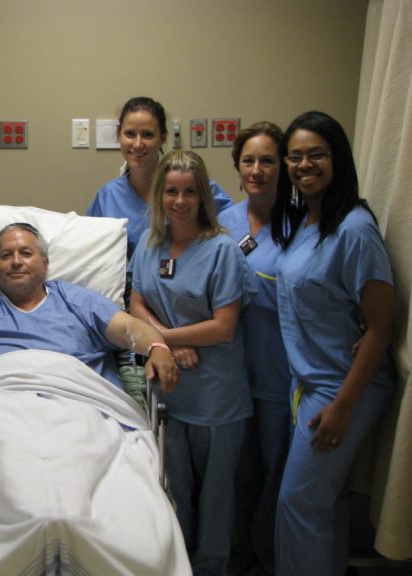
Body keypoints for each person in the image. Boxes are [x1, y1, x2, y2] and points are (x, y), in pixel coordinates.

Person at [271, 111, 396, 576]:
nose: (305, 165)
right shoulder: (308, 218)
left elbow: (381, 326)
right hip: (310, 381)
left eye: (317, 154)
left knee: (298, 504)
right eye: (296, 156)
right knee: (323, 504)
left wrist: (344, 405)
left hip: (341, 389)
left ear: (337, 158)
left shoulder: (355, 229)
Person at [129, 150, 254, 576]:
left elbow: (223, 328)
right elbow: (136, 300)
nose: (179, 201)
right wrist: (165, 345)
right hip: (170, 390)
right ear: (159, 194)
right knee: (175, 489)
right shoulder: (150, 245)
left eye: (189, 192)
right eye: (170, 191)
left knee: (216, 497)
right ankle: (177, 566)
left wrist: (160, 338)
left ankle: (212, 567)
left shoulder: (221, 251)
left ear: (203, 196)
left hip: (216, 398)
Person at [0, 222, 179, 395]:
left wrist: (158, 347)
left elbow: (130, 328)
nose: (16, 261)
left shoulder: (76, 300)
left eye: (26, 253)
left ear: (45, 265)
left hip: (77, 402)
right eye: (6, 256)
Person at [217, 122, 289, 576]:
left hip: (282, 370)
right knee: (239, 474)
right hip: (233, 367)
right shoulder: (224, 221)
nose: (257, 170)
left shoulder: (304, 222)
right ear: (237, 167)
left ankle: (271, 558)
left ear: (282, 166)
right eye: (249, 161)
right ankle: (240, 555)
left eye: (267, 160)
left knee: (277, 475)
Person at [86, 96, 234, 259]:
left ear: (163, 138)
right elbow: (88, 248)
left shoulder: (194, 188)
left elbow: (234, 229)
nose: (137, 144)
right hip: (133, 282)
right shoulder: (108, 197)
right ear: (118, 135)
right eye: (130, 134)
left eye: (148, 135)